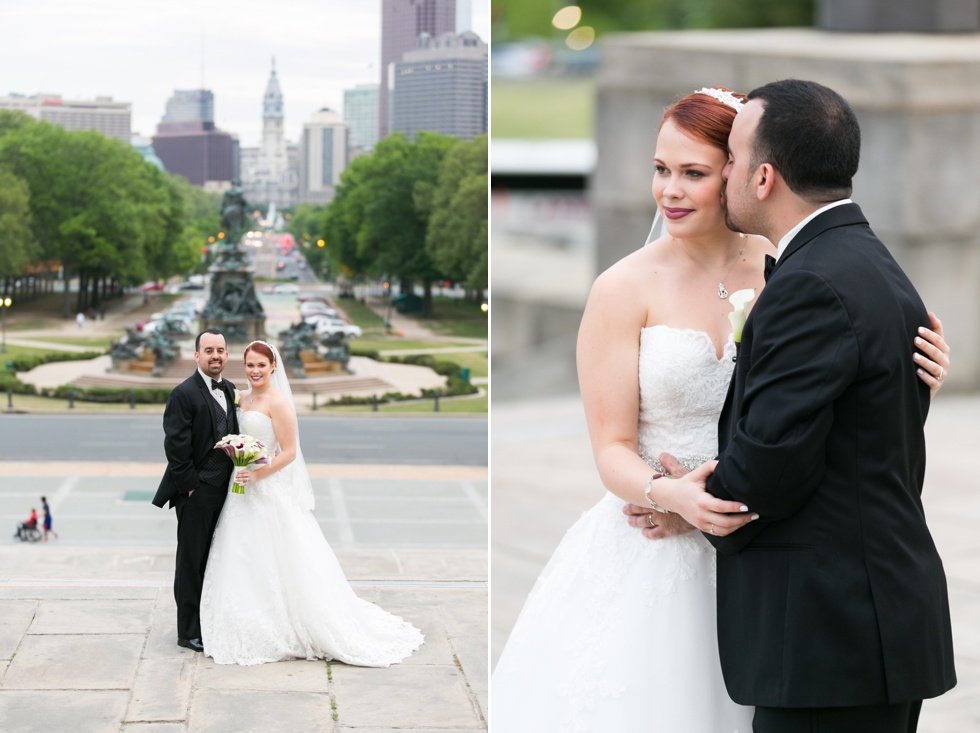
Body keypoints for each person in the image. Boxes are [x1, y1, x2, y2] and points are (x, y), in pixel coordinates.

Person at [490, 87, 951, 732]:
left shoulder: (789, 273)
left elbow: (816, 424)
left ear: (751, 175)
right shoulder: (622, 288)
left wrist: (911, 376)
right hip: (666, 544)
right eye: (660, 169)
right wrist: (670, 496)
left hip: (771, 558)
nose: (670, 191)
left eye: (698, 172)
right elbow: (611, 448)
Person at [631, 79, 956, 732]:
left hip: (830, 633)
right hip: (866, 623)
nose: (719, 180)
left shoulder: (808, 284)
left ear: (763, 176)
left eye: (729, 163)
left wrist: (691, 498)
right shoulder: (869, 261)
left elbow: (770, 465)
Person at [199, 340, 423, 666]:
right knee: (242, 552)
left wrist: (257, 475)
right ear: (244, 366)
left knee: (278, 555)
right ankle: (244, 619)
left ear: (273, 367)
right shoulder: (241, 397)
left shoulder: (278, 403)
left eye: (262, 365)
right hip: (240, 487)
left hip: (265, 486)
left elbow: (288, 453)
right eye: (250, 365)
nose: (256, 371)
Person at [152, 328, 239, 653]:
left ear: (226, 355)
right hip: (197, 493)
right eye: (209, 350)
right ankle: (188, 631)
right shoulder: (182, 394)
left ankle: (210, 621)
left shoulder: (229, 389)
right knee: (191, 561)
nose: (215, 356)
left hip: (226, 492)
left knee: (216, 559)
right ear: (197, 355)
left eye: (220, 350)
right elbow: (176, 447)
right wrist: (190, 488)